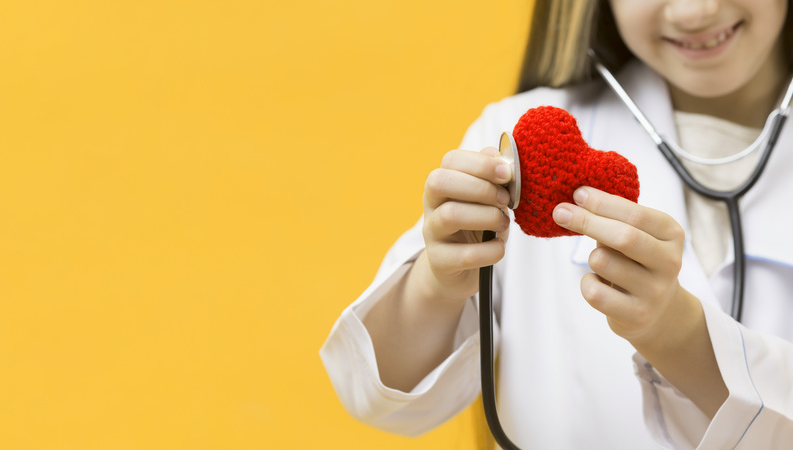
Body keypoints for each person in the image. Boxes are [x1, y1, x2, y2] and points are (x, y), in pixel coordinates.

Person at [320, 0, 793, 448]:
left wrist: (677, 335)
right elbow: (380, 391)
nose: (695, 12)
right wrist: (438, 282)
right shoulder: (511, 142)